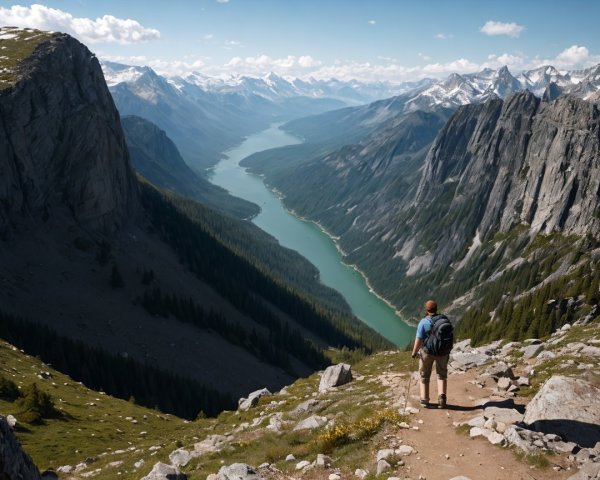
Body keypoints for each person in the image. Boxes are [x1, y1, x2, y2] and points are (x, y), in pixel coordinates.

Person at [410, 299, 449, 408]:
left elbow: (419, 339)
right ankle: (442, 397)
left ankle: (425, 399)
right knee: (442, 374)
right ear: (436, 309)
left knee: (424, 375)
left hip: (427, 352)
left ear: (426, 310)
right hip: (442, 352)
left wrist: (414, 353)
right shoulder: (444, 319)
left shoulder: (423, 322)